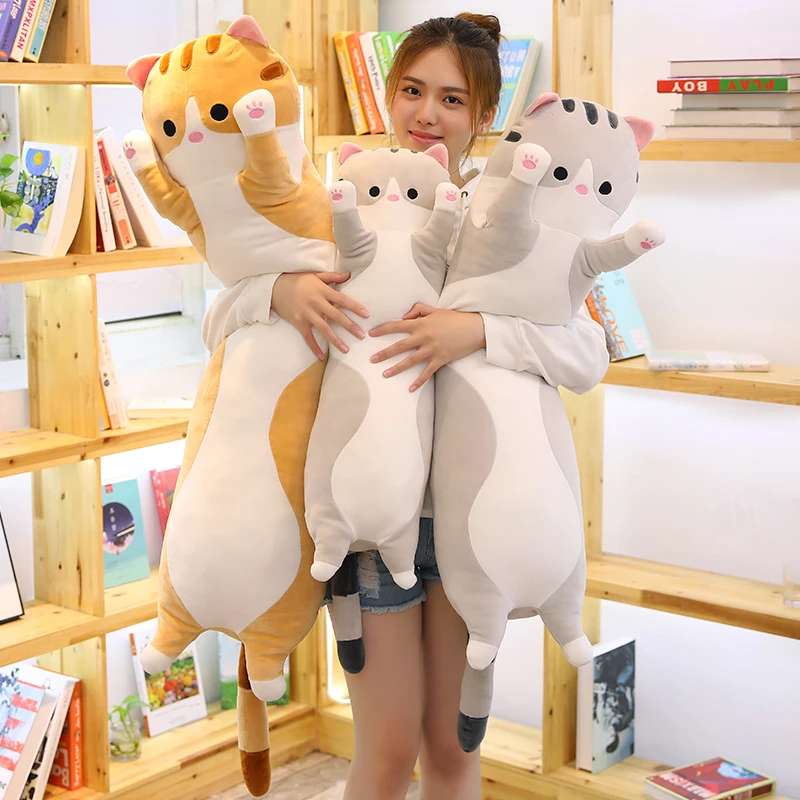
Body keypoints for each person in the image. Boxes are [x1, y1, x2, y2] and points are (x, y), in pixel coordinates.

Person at [208, 13, 610, 800]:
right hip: (365, 523)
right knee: (388, 750)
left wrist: (478, 332)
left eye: (452, 99)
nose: (428, 114)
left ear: (484, 114)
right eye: (412, 91)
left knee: (453, 755)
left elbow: (589, 353)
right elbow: (217, 319)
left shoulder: (519, 220)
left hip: (474, 526)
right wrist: (280, 291)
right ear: (388, 95)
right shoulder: (342, 205)